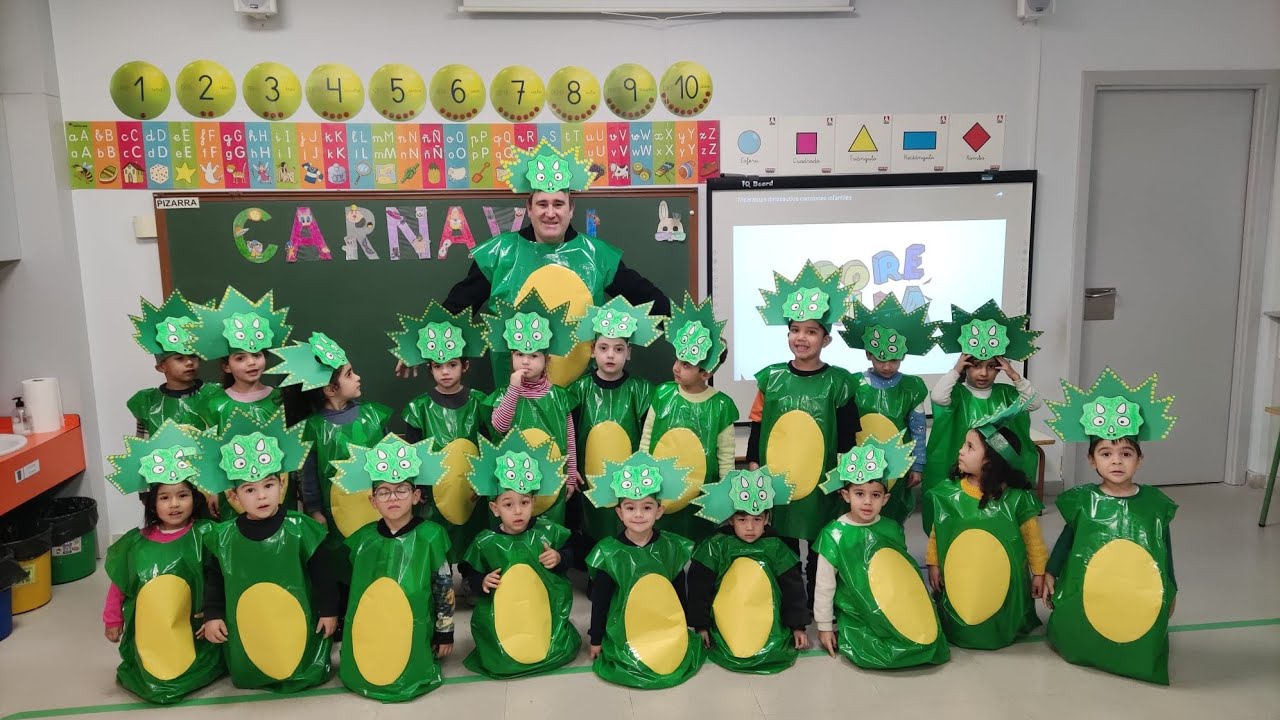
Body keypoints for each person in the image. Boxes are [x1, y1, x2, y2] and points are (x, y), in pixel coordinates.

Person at [436, 141, 671, 387]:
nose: (551, 213)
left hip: (579, 397)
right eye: (542, 204)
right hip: (515, 397)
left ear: (571, 209)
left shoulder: (597, 255)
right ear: (529, 208)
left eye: (558, 204)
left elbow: (648, 299)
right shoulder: (500, 254)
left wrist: (695, 343)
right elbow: (457, 309)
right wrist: (418, 350)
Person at [1043, 368, 1179, 685]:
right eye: (1106, 453)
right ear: (1092, 460)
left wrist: (1171, 586)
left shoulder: (1154, 505)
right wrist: (1051, 570)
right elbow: (1068, 538)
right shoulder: (1083, 501)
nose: (1116, 461)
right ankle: (1081, 644)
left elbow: (1164, 548)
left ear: (1139, 460)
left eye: (1126, 453)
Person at [194, 411, 338, 693]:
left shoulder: (301, 529)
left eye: (269, 485)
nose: (262, 496)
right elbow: (216, 580)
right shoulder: (224, 537)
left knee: (294, 651)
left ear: (281, 485)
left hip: (295, 623)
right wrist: (212, 615)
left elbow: (323, 575)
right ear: (233, 497)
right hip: (252, 625)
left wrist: (329, 611)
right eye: (250, 490)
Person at [747, 263, 859, 604]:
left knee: (819, 543)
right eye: (796, 330)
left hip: (824, 479)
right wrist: (753, 463)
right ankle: (789, 601)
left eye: (811, 331)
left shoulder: (839, 381)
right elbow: (757, 423)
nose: (802, 338)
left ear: (826, 338)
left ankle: (816, 601)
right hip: (779, 475)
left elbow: (847, 435)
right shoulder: (772, 377)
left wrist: (845, 477)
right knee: (782, 543)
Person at [101, 421, 224, 703]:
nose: (175, 504)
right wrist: (113, 619)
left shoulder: (205, 533)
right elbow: (119, 585)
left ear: (194, 498)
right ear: (152, 503)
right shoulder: (135, 543)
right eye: (165, 497)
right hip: (150, 630)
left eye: (182, 495)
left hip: (194, 630)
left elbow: (222, 577)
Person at [331, 434, 454, 701]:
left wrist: (445, 632)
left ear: (416, 496)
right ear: (373, 501)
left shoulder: (431, 536)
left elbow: (444, 587)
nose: (393, 497)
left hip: (415, 628)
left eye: (401, 490)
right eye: (384, 491)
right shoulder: (364, 540)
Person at [812, 432, 949, 669]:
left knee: (919, 639)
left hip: (890, 602)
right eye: (859, 494)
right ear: (845, 495)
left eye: (875, 495)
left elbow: (903, 575)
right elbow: (825, 586)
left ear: (885, 499)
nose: (867, 502)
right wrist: (824, 627)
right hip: (858, 608)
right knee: (874, 648)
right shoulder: (833, 534)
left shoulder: (891, 528)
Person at [924, 400, 1047, 650]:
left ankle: (1002, 626)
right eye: (963, 444)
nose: (960, 451)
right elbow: (938, 534)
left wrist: (1039, 572)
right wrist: (933, 564)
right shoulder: (949, 494)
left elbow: (1033, 540)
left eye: (969, 447)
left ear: (991, 461)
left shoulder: (1016, 499)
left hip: (1001, 583)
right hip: (962, 581)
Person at [458, 433, 579, 679]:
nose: (517, 511)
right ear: (495, 508)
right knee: (502, 659)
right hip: (506, 621)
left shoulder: (546, 531)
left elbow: (572, 553)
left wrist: (559, 558)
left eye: (524, 503)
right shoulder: (485, 541)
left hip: (541, 617)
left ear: (533, 502)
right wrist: (481, 582)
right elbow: (467, 574)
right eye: (508, 504)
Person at [277, 332, 391, 587]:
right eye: (349, 374)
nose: (358, 377)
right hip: (334, 514)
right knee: (341, 564)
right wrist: (315, 511)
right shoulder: (313, 428)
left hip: (379, 507)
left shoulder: (372, 415)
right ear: (330, 389)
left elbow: (391, 460)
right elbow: (307, 477)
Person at [584, 450, 704, 689]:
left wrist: (686, 626)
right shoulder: (610, 553)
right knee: (633, 662)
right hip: (627, 629)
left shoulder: (670, 547)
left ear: (659, 511)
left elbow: (679, 592)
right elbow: (601, 601)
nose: (638, 514)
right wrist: (596, 639)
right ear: (619, 513)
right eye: (630, 508)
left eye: (647, 508)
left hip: (663, 624)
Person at [922, 300, 1043, 535]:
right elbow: (938, 397)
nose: (983, 373)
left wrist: (1014, 375)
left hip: (997, 473)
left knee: (995, 514)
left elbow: (1034, 402)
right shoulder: (957, 395)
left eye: (991, 367)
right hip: (963, 470)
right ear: (967, 367)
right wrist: (956, 368)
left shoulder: (1006, 394)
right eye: (976, 366)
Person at [392, 301, 491, 567]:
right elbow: (412, 451)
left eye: (452, 365)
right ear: (429, 369)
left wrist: (483, 482)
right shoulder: (419, 407)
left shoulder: (479, 402)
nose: (445, 372)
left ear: (465, 366)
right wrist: (419, 487)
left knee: (471, 533)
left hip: (470, 486)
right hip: (434, 490)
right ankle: (441, 583)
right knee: (438, 538)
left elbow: (487, 444)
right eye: (438, 366)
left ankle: (472, 578)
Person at [687, 467, 810, 674]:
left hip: (765, 617)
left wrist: (798, 626)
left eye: (757, 519)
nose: (750, 528)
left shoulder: (776, 547)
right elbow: (700, 589)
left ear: (767, 519)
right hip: (730, 617)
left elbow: (793, 589)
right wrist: (701, 626)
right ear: (731, 520)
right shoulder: (716, 546)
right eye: (742, 520)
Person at [640, 294, 739, 543]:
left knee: (699, 551)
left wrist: (725, 495)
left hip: (702, 495)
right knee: (665, 546)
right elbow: (647, 439)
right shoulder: (663, 394)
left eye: (686, 365)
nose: (676, 367)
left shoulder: (721, 406)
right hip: (662, 492)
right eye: (677, 359)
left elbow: (726, 456)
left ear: (705, 372)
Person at [188, 287, 292, 517]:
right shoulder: (216, 405)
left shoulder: (279, 399)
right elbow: (208, 451)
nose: (251, 363)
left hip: (276, 491)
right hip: (232, 493)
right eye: (240, 358)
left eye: (257, 355)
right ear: (226, 365)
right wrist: (211, 489)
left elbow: (291, 448)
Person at [568, 296, 663, 548]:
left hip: (631, 479)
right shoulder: (580, 389)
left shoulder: (641, 391)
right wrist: (572, 465)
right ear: (592, 350)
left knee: (625, 525)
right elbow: (570, 430)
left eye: (618, 349)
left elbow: (650, 435)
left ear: (628, 353)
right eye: (604, 348)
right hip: (588, 474)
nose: (611, 355)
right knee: (592, 522)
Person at [838, 293, 936, 526]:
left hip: (896, 466)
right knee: (859, 515)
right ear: (868, 354)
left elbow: (918, 429)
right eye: (881, 359)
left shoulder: (911, 387)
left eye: (894, 359)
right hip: (858, 466)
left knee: (891, 516)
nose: (887, 366)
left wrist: (918, 465)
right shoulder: (854, 384)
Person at [485, 292, 582, 525]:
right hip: (511, 483)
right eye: (519, 355)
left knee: (549, 530)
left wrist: (570, 474)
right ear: (511, 358)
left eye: (534, 355)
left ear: (546, 360)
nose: (526, 361)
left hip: (550, 479)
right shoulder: (504, 394)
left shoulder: (559, 396)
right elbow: (499, 426)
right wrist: (513, 390)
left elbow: (569, 437)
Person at [125, 290, 220, 437]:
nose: (189, 362)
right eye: (179, 358)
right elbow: (143, 443)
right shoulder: (148, 403)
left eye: (193, 356)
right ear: (161, 366)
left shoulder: (213, 395)